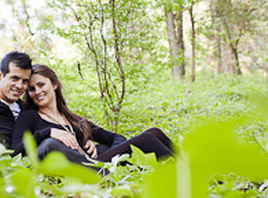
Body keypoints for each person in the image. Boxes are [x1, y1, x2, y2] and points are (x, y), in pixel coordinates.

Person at [11, 64, 174, 165]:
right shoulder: (30, 117)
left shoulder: (73, 119)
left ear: (54, 84)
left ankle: (192, 167)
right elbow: (15, 150)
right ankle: (187, 176)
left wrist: (109, 152)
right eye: (32, 89)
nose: (37, 91)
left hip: (100, 162)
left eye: (41, 85)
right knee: (146, 140)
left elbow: (116, 138)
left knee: (155, 132)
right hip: (84, 169)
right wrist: (48, 132)